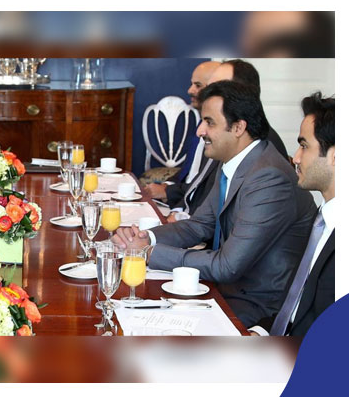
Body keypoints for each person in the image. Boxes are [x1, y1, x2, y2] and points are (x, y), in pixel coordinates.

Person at [113, 81, 316, 326]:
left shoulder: (269, 177)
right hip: (224, 288)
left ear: (239, 127)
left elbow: (227, 266)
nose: (200, 131)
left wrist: (148, 252)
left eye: (209, 122)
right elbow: (199, 225)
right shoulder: (235, 161)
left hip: (255, 306)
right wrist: (147, 237)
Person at [162, 58, 291, 224]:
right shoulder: (225, 141)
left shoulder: (262, 153)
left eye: (218, 86)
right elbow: (203, 217)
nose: (207, 91)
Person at [250, 92, 334, 336]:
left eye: (304, 146)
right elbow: (294, 307)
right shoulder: (321, 220)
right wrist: (259, 333)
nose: (295, 157)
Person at [146, 61, 220, 208]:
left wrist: (168, 192)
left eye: (198, 85)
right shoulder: (201, 125)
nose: (190, 90)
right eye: (191, 84)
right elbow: (189, 171)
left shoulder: (219, 137)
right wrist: (166, 186)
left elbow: (202, 187)